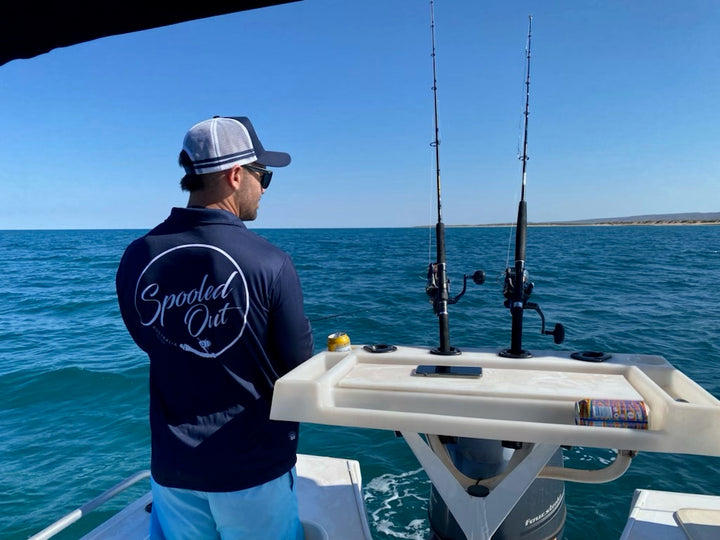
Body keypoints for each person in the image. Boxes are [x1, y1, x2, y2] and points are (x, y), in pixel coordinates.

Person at [115, 115, 314, 539]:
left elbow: (151, 342)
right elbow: (298, 365)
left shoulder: (136, 256)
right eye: (264, 176)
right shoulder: (271, 262)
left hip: (173, 471)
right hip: (253, 472)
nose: (264, 189)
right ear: (236, 174)